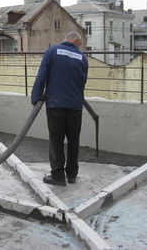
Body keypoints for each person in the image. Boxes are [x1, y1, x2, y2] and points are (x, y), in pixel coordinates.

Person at [31, 31, 88, 186]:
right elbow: (83, 82)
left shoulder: (52, 51)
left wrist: (36, 97)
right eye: (80, 43)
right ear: (76, 40)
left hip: (55, 103)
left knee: (56, 140)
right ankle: (72, 175)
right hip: (75, 105)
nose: (80, 46)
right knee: (73, 140)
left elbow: (42, 75)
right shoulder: (82, 58)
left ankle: (57, 176)